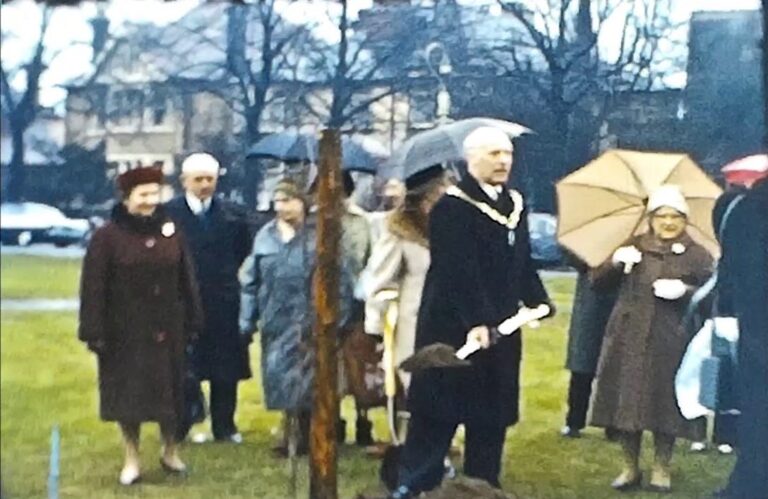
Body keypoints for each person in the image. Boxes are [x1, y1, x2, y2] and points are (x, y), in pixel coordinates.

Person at [389, 127, 553, 499]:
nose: (503, 161)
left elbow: (521, 261)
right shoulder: (452, 206)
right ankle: (414, 485)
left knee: (490, 415)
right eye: (493, 154)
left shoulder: (514, 204)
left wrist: (538, 298)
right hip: (452, 329)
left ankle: (483, 486)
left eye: (507, 154)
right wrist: (477, 321)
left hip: (502, 330)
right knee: (437, 414)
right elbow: (456, 269)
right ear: (471, 159)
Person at [79, 166, 203, 485]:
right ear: (127, 197)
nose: (150, 201)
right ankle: (131, 458)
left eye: (155, 193)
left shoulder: (172, 230)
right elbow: (93, 287)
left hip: (167, 329)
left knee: (172, 396)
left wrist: (193, 317)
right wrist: (94, 331)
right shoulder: (107, 236)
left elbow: (185, 276)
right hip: (125, 332)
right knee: (128, 399)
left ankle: (170, 451)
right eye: (143, 194)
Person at [590, 184, 713, 493]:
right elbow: (597, 284)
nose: (669, 223)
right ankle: (629, 467)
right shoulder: (634, 245)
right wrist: (616, 263)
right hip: (627, 335)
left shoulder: (698, 254)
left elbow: (714, 296)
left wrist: (685, 292)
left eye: (676, 216)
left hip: (669, 337)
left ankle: (662, 466)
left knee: (663, 403)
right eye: (661, 216)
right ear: (650, 217)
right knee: (626, 402)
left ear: (685, 219)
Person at [239, 179, 354, 456]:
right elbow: (250, 281)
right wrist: (247, 319)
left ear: (302, 202)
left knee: (312, 380)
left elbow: (342, 280)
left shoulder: (321, 236)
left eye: (287, 200)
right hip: (276, 320)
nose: (282, 207)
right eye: (277, 201)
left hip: (313, 320)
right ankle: (289, 431)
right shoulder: (265, 236)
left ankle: (315, 435)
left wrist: (338, 319)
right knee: (281, 378)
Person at [165, 153, 253, 444]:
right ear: (184, 181)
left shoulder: (233, 215)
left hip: (223, 300)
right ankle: (181, 424)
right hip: (181, 301)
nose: (204, 185)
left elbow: (241, 251)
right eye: (198, 179)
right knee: (183, 365)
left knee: (225, 367)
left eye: (210, 179)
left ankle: (224, 426)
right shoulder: (168, 215)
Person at [364, 165, 448, 393]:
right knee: (421, 392)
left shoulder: (453, 225)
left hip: (452, 321)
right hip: (415, 324)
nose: (444, 191)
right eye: (439, 187)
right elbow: (380, 281)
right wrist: (376, 328)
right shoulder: (399, 231)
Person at [713, 171, 768, 499]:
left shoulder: (738, 210)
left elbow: (729, 275)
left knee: (757, 417)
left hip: (755, 332)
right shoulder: (743, 211)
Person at [559, 252, 618, 439]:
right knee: (583, 364)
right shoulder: (591, 237)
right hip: (591, 299)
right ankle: (574, 420)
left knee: (617, 365)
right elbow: (571, 255)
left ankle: (613, 423)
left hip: (622, 298)